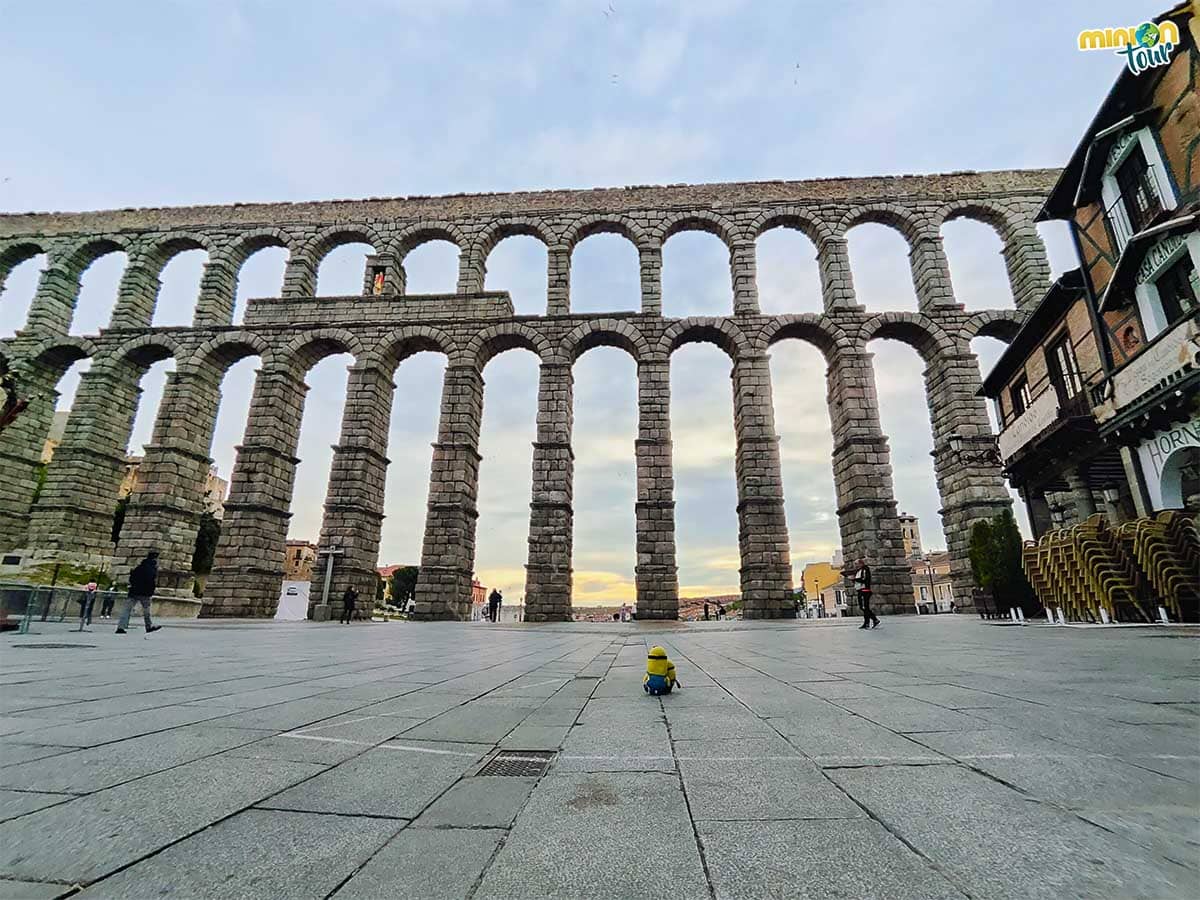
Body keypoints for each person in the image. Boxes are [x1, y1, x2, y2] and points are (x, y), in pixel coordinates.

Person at [117, 551, 161, 635]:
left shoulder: (139, 567)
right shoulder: (152, 569)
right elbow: (151, 581)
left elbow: (132, 577)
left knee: (126, 610)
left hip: (133, 591)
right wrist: (151, 590)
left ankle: (121, 627)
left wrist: (133, 586)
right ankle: (148, 626)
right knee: (146, 610)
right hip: (145, 593)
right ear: (155, 558)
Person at [854, 558, 880, 629]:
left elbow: (864, 579)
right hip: (860, 590)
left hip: (864, 590)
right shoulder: (859, 571)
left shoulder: (865, 569)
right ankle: (872, 621)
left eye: (856, 564)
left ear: (861, 563)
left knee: (864, 607)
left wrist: (854, 579)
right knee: (864, 607)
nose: (855, 565)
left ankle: (869, 622)